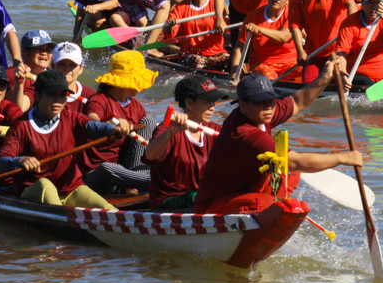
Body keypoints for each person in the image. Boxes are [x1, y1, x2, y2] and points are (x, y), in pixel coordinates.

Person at [194, 65, 363, 214]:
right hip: (213, 205)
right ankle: (269, 213)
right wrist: (342, 158)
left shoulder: (261, 114)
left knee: (289, 174)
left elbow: (298, 101)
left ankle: (272, 213)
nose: (268, 107)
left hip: (243, 190)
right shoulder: (244, 133)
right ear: (243, 105)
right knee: (270, 197)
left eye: (271, 101)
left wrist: (325, 76)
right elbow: (296, 161)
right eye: (260, 102)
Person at [0, 69, 132, 208]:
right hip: (34, 190)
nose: (58, 101)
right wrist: (19, 161)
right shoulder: (21, 125)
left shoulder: (72, 118)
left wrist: (115, 129)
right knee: (45, 184)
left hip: (70, 188)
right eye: (51, 95)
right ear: (37, 95)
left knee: (110, 211)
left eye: (62, 95)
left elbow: (94, 127)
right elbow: (1, 163)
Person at [142, 77, 226, 209]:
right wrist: (170, 132)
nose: (212, 108)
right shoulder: (167, 129)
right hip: (168, 202)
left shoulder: (215, 130)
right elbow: (149, 155)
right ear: (189, 102)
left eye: (213, 102)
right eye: (206, 102)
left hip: (201, 197)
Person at [82, 50, 158, 194]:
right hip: (99, 175)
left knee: (149, 122)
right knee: (107, 167)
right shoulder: (99, 100)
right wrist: (113, 127)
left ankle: (135, 186)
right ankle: (154, 182)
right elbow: (91, 120)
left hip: (127, 173)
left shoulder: (137, 107)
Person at [289, 0, 359, 83]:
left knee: (341, 84)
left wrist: (350, 35)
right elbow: (295, 25)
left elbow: (351, 5)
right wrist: (300, 52)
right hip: (314, 51)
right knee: (308, 88)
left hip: (338, 49)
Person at [230, 0, 297, 82]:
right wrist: (235, 73)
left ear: (288, 0)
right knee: (268, 77)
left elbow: (284, 37)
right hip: (262, 64)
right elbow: (239, 48)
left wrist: (259, 29)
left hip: (290, 62)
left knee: (311, 74)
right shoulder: (253, 16)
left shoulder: (292, 13)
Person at [158, 0, 228, 69]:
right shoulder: (181, 7)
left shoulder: (216, 5)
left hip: (217, 53)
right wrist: (169, 26)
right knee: (199, 62)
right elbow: (169, 34)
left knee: (231, 62)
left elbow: (228, 29)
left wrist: (226, 16)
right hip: (191, 54)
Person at [9, 29, 54, 113]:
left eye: (48, 49)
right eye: (39, 48)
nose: (44, 53)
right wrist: (19, 82)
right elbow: (16, 109)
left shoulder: (54, 76)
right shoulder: (12, 75)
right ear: (24, 52)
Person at [50, 41, 91, 113]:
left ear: (80, 69)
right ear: (53, 67)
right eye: (62, 64)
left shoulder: (90, 96)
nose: (67, 69)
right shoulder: (41, 92)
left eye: (72, 65)